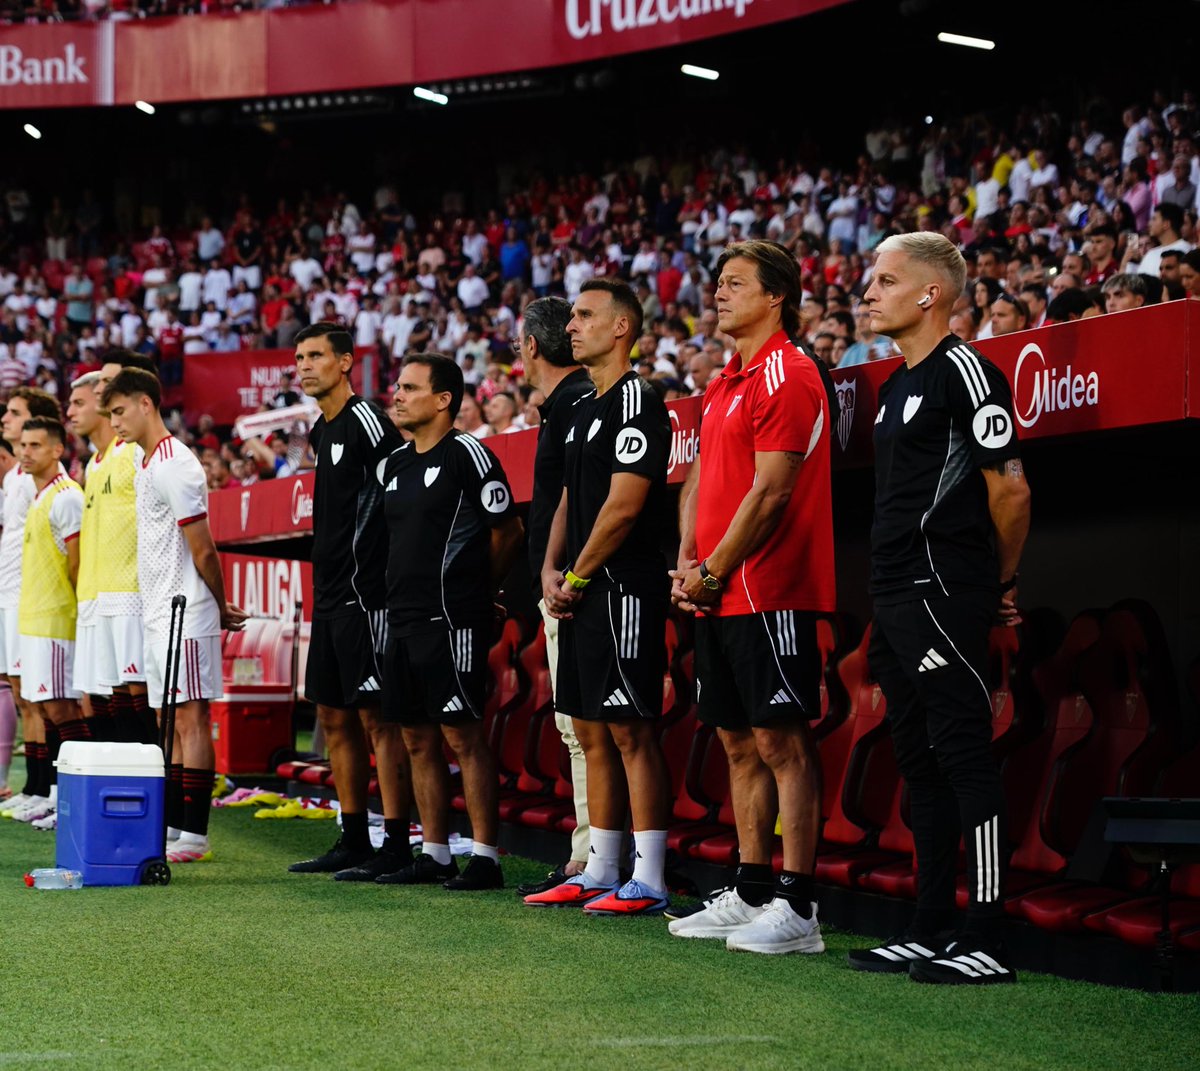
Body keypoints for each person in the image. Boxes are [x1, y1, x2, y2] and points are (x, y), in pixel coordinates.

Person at [849, 232, 1031, 984]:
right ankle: (930, 925)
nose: (868, 292)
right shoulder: (894, 386)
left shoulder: (967, 373)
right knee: (918, 759)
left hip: (942, 591)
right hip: (892, 595)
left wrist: (1000, 583)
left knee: (962, 754)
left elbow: (1011, 490)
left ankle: (984, 934)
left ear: (930, 294)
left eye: (885, 280)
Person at [667, 240, 833, 954]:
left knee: (781, 741)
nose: (720, 294)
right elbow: (702, 474)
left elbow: (773, 491)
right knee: (737, 741)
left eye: (736, 284)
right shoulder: (723, 382)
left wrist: (712, 570)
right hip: (716, 587)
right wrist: (687, 558)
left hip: (772, 589)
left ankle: (799, 906)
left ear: (777, 296)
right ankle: (753, 886)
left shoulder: (789, 373)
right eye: (718, 284)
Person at [527, 278, 672, 915]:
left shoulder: (639, 397)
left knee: (630, 730)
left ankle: (651, 876)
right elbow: (567, 498)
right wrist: (551, 569)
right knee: (590, 730)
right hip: (580, 589)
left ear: (620, 328)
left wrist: (578, 575)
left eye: (586, 316)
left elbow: (624, 505)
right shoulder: (582, 407)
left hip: (622, 591)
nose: (573, 326)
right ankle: (601, 867)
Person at [377, 353, 523, 889]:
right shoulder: (393, 464)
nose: (397, 394)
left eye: (410, 387)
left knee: (462, 735)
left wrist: (478, 593)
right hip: (403, 618)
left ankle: (485, 856)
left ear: (443, 400)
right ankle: (435, 851)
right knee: (416, 737)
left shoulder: (469, 455)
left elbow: (507, 531)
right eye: (397, 386)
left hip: (452, 618)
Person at [101, 369, 248, 864]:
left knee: (190, 717)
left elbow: (203, 548)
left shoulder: (176, 464)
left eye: (119, 411)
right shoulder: (147, 462)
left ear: (146, 404)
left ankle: (196, 834)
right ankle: (174, 825)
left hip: (185, 609)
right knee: (168, 718)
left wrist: (221, 605)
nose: (114, 422)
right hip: (158, 610)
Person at [286, 323, 415, 880]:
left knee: (376, 720)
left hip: (368, 597)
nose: (304, 365)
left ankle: (394, 841)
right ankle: (353, 835)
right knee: (333, 715)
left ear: (345, 363)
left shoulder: (367, 421)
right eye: (299, 356)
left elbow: (400, 492)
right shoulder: (322, 430)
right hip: (330, 594)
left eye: (316, 355)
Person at [511, 296, 594, 898]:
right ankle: (591, 851)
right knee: (579, 726)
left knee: (583, 726)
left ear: (531, 347)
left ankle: (593, 854)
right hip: (564, 580)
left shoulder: (574, 402)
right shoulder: (567, 403)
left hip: (572, 585)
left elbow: (574, 497)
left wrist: (555, 569)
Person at [16, 417, 87, 828]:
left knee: (62, 710)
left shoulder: (66, 497)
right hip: (36, 620)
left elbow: (76, 563)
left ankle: (71, 801)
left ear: (58, 450)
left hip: (59, 621)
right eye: (23, 445)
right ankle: (58, 798)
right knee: (45, 709)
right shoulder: (40, 496)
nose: (26, 452)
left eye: (35, 445)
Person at [0, 387, 62, 822]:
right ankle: (35, 787)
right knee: (25, 696)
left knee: (44, 697)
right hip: (11, 595)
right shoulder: (16, 479)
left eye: (15, 413)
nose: (5, 418)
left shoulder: (45, 484)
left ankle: (51, 786)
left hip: (31, 597)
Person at [93, 351, 157, 748]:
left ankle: (158, 784)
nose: (102, 388)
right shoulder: (105, 457)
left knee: (140, 692)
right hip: (107, 591)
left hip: (138, 589)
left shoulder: (140, 451)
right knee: (117, 690)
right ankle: (128, 786)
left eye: (110, 382)